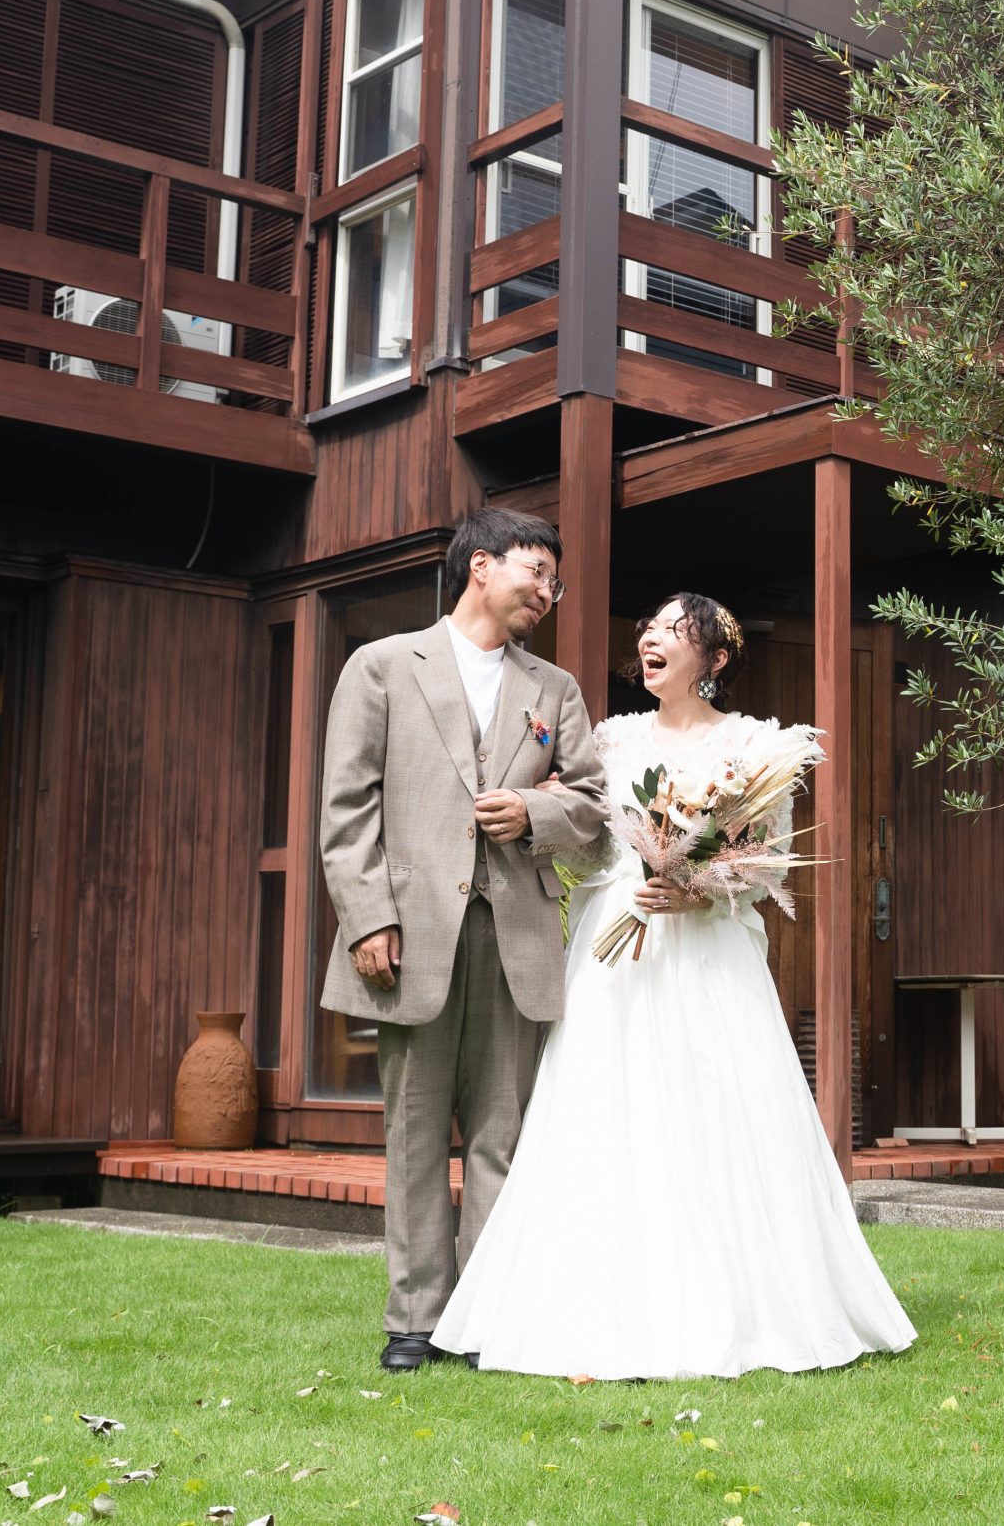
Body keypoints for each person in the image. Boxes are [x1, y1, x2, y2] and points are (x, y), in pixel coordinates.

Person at [433, 593, 917, 1379]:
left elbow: (766, 863)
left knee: (715, 1106)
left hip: (707, 951)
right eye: (650, 628)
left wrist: (697, 889)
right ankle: (592, 1304)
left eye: (674, 629)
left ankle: (741, 1303)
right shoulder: (612, 739)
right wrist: (585, 841)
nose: (652, 638)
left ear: (715, 658)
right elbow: (587, 846)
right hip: (616, 949)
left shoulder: (754, 746)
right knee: (604, 1109)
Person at [317, 508, 611, 1373]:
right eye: (535, 570)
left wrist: (534, 810)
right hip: (410, 934)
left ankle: (485, 1316)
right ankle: (415, 1317)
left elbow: (593, 803)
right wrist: (368, 916)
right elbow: (347, 805)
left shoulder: (555, 689)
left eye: (555, 580)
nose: (547, 591)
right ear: (481, 564)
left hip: (518, 932)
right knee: (414, 1132)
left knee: (500, 1134)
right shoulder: (382, 665)